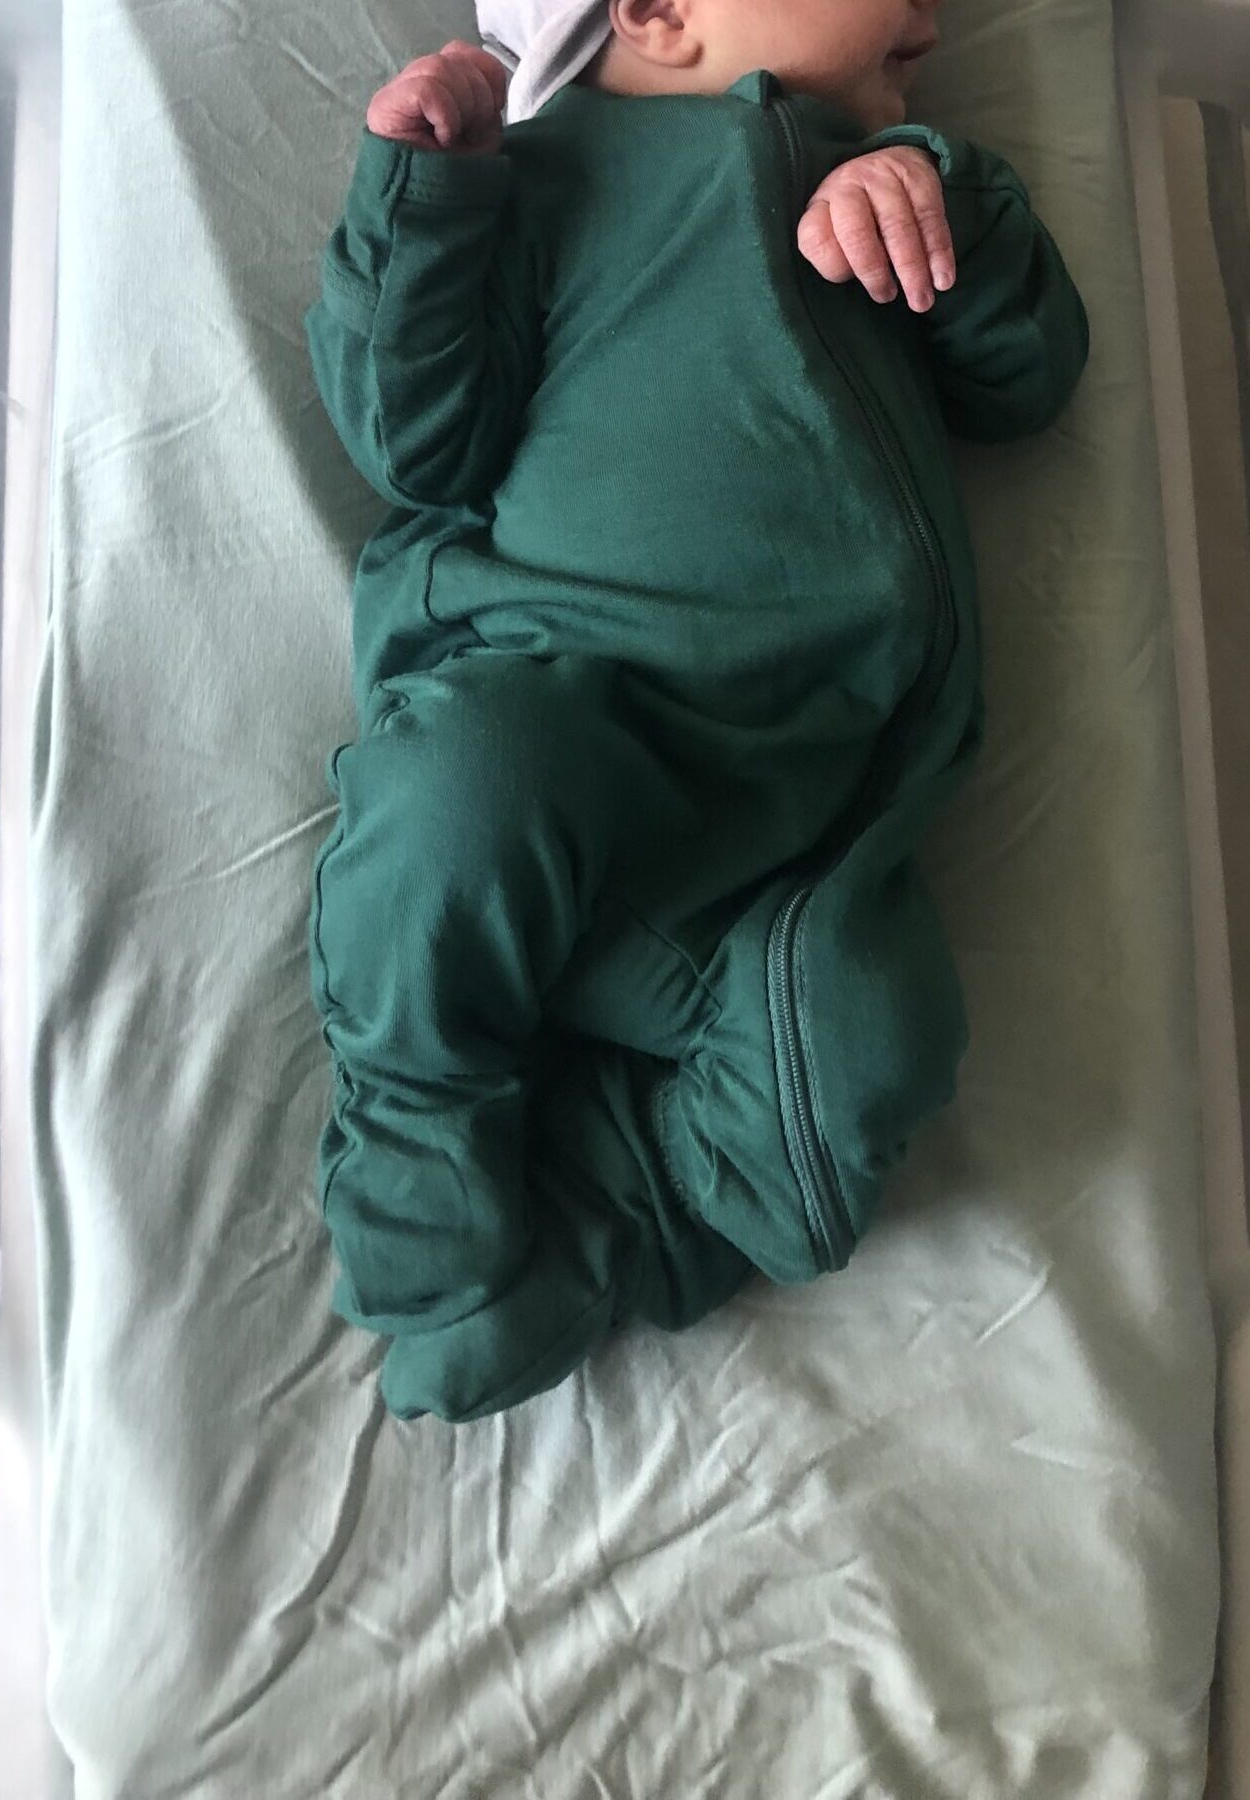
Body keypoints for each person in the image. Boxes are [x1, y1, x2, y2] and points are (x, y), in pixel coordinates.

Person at [306, 0, 1089, 1422]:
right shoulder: (542, 182)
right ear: (656, 12)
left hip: (787, 848)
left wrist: (950, 222)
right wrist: (426, 199)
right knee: (455, 797)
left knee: (873, 1034)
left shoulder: (900, 183)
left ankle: (598, 1241)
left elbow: (1025, 383)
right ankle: (418, 1188)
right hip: (565, 716)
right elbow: (412, 441)